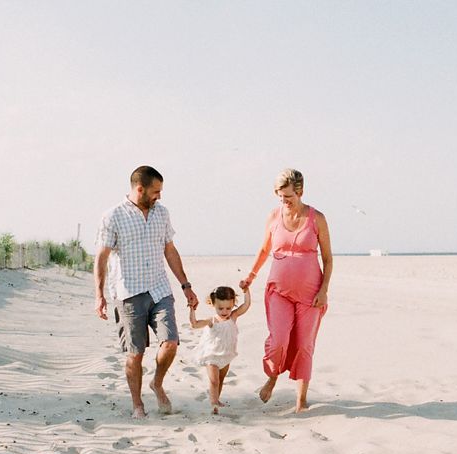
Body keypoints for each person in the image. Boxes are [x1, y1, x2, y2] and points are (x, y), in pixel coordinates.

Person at [94, 165, 199, 419]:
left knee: (171, 342)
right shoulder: (113, 216)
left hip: (160, 288)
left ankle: (157, 383)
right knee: (135, 353)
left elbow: (170, 251)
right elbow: (101, 257)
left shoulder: (161, 214)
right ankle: (137, 404)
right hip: (128, 292)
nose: (159, 196)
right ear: (139, 189)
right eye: (155, 191)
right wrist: (99, 295)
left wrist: (186, 285)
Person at [239, 168, 333, 413]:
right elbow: (263, 250)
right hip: (278, 290)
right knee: (279, 340)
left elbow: (328, 259)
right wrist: (250, 276)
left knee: (304, 345)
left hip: (311, 294)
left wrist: (323, 291)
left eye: (288, 197)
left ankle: (301, 402)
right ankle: (272, 378)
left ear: (300, 192)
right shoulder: (273, 216)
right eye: (280, 197)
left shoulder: (317, 218)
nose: (284, 202)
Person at [186, 285, 251, 414]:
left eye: (228, 308)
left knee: (221, 380)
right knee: (214, 381)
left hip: (226, 355)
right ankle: (213, 404)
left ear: (233, 305)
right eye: (220, 308)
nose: (225, 311)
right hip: (212, 355)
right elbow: (194, 324)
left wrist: (246, 291)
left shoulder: (233, 317)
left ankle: (217, 399)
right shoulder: (213, 320)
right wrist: (192, 310)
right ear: (213, 304)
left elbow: (246, 305)